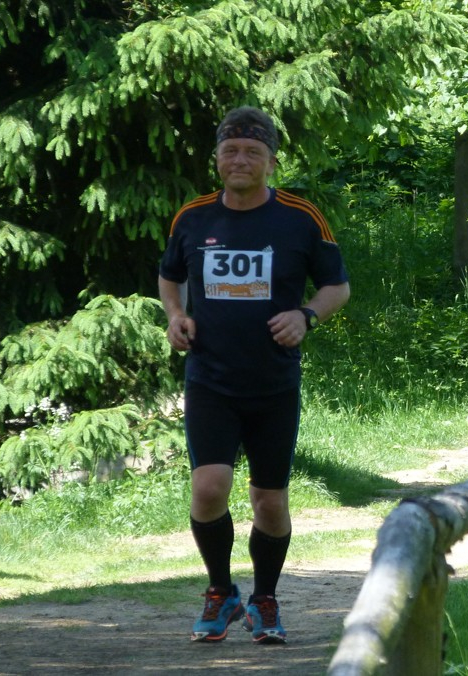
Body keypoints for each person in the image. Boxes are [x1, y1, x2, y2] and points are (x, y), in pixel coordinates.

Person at [158, 106, 350, 644]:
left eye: (252, 152)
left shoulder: (300, 218)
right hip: (210, 379)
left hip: (273, 384)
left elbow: (337, 286)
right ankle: (221, 592)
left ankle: (265, 598)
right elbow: (170, 276)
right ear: (217, 159)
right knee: (209, 487)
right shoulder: (193, 218)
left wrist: (306, 316)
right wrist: (176, 315)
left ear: (271, 162)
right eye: (230, 151)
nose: (240, 160)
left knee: (269, 501)